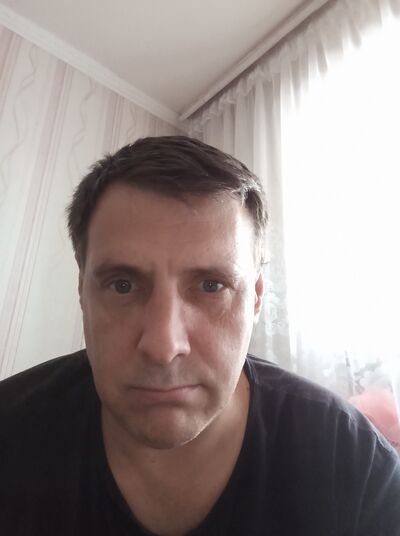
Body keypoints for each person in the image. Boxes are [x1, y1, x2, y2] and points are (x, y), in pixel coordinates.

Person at [0, 136, 399, 536]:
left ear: (256, 298)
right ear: (82, 292)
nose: (163, 347)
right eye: (122, 285)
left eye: (211, 286)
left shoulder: (353, 462)